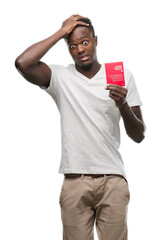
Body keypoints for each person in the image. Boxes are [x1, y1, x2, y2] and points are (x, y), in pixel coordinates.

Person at [15, 14, 145, 240]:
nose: (80, 49)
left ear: (96, 40)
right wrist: (61, 33)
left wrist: (122, 105)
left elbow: (139, 135)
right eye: (72, 45)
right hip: (75, 180)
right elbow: (23, 63)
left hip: (113, 179)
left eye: (85, 42)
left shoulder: (120, 75)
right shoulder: (60, 76)